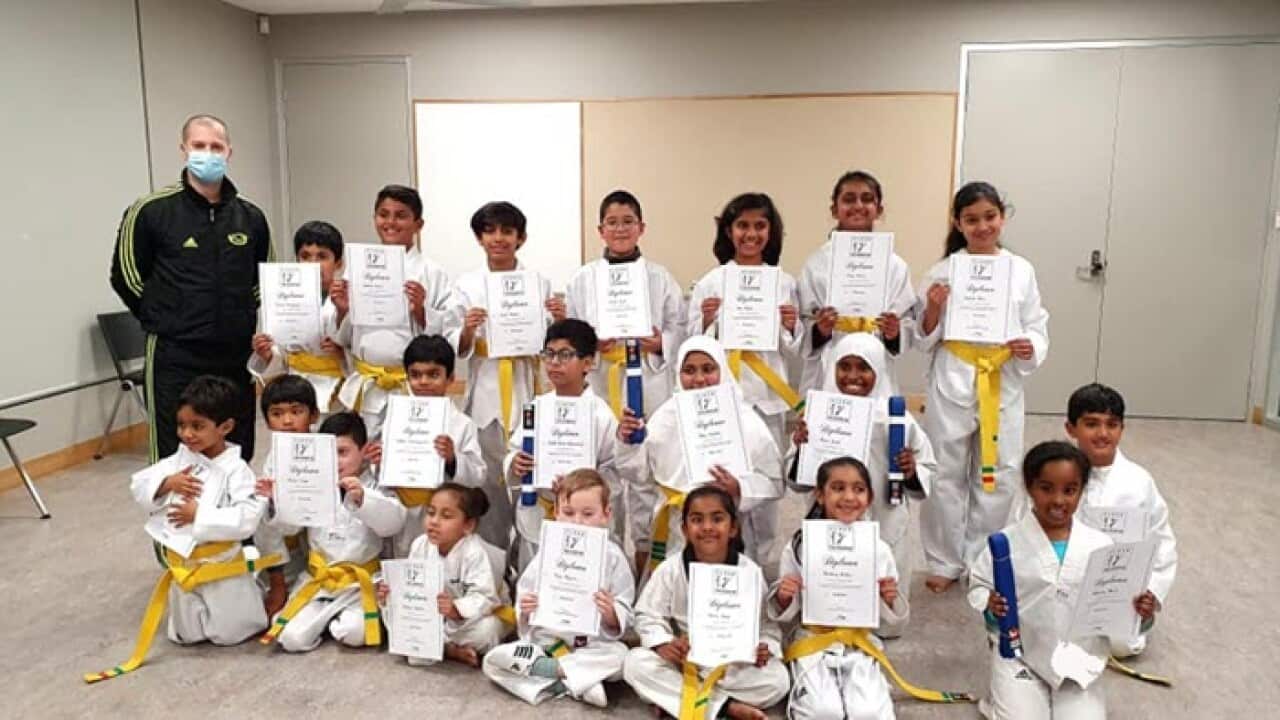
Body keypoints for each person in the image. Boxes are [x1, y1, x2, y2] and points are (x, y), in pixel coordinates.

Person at [912, 181, 1050, 593]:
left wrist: (1030, 347)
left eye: (990, 217)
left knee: (999, 473)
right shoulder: (941, 271)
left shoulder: (1020, 270)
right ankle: (943, 559)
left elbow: (1036, 324)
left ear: (1002, 217)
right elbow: (922, 337)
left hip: (1000, 378)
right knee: (945, 471)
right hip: (952, 375)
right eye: (971, 219)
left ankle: (983, 560)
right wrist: (934, 309)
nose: (982, 226)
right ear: (958, 222)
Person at [86, 376, 269, 683]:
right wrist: (165, 484)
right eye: (182, 425)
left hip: (220, 563)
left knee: (231, 633)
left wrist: (201, 514)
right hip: (183, 563)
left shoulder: (237, 470)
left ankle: (252, 591)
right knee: (186, 634)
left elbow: (249, 517)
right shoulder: (179, 461)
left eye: (197, 426)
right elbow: (139, 484)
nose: (187, 434)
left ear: (224, 427)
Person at [109, 114, 271, 463]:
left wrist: (238, 319)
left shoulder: (251, 217)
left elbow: (263, 283)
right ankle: (175, 517)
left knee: (236, 448)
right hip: (175, 354)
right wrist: (166, 317)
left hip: (233, 355)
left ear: (229, 152)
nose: (208, 154)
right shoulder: (151, 210)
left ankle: (232, 515)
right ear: (184, 149)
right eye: (199, 146)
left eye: (216, 147)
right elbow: (126, 276)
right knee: (175, 451)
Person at [785, 332, 934, 616]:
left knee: (883, 592)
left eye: (863, 368)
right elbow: (797, 481)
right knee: (831, 593)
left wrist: (911, 470)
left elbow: (929, 467)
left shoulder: (898, 419)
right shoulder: (818, 417)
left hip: (884, 518)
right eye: (845, 366)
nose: (853, 376)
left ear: (878, 369)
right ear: (833, 369)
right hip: (830, 519)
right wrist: (801, 446)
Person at [445, 201, 561, 548]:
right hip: (485, 393)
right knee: (489, 485)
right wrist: (467, 330)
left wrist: (558, 317)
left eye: (507, 231)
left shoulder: (538, 283)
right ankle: (493, 559)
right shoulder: (466, 285)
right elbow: (458, 347)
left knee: (530, 476)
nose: (499, 238)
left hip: (527, 387)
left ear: (520, 238)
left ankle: (527, 556)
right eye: (491, 231)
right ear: (480, 238)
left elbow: (551, 342)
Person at [968, 441, 1111, 719]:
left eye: (1070, 490)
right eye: (1047, 488)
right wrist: (991, 605)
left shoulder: (1101, 546)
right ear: (1030, 487)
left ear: (1081, 490)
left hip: (1078, 658)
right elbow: (979, 586)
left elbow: (1115, 606)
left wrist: (1139, 610)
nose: (1058, 500)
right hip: (1020, 654)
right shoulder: (1006, 543)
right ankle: (999, 701)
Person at [619, 336, 783, 575]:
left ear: (722, 370)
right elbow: (638, 473)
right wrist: (628, 441)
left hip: (728, 530)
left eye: (708, 369)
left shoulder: (746, 420)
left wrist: (740, 487)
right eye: (689, 370)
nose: (698, 380)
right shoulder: (666, 418)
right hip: (678, 530)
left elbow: (774, 480)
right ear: (678, 374)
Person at [623, 485, 790, 720]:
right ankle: (724, 707)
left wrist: (763, 647)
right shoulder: (670, 569)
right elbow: (647, 615)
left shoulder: (749, 571)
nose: (708, 527)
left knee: (778, 681)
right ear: (684, 529)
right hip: (686, 660)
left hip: (732, 665)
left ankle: (677, 700)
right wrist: (663, 643)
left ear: (733, 528)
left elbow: (766, 625)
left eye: (717, 519)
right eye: (697, 520)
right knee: (635, 663)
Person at [483, 469, 636, 708]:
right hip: (548, 643)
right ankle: (580, 682)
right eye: (569, 512)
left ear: (606, 514)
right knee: (492, 661)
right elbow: (526, 593)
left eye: (588, 514)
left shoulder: (613, 557)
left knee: (621, 657)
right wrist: (526, 607)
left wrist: (611, 613)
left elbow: (625, 604)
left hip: (592, 644)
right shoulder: (547, 552)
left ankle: (554, 677)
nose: (577, 521)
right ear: (555, 513)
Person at [770, 457, 908, 720]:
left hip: (858, 641)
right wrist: (785, 595)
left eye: (858, 489)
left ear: (869, 498)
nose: (848, 497)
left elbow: (889, 614)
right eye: (838, 488)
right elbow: (785, 610)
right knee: (823, 711)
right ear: (820, 495)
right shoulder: (801, 546)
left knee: (868, 713)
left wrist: (888, 599)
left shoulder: (877, 549)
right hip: (813, 640)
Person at [257, 413, 406, 652]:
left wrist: (363, 499)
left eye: (343, 452)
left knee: (356, 634)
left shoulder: (376, 484)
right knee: (289, 637)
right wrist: (278, 501)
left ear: (364, 450)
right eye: (329, 453)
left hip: (359, 584)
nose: (335, 461)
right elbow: (291, 528)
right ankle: (323, 619)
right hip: (319, 580)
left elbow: (393, 524)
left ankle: (334, 620)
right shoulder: (311, 485)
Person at [1064, 383, 1176, 657]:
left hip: (1119, 590)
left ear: (1122, 429)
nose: (1103, 434)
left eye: (1112, 425)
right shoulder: (1057, 476)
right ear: (1070, 428)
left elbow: (1162, 542)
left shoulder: (1139, 483)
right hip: (1065, 583)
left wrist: (1152, 593)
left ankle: (1139, 620)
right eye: (1091, 424)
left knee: (1122, 647)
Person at [504, 319, 625, 571]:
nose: (554, 363)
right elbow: (515, 450)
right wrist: (515, 462)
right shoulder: (537, 407)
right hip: (540, 510)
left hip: (583, 520)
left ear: (588, 363)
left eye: (565, 355)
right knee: (534, 578)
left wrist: (581, 488)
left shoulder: (600, 414)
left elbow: (614, 471)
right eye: (549, 354)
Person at [332, 185, 452, 437]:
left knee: (410, 453)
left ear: (418, 224)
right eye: (383, 214)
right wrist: (343, 310)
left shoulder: (432, 272)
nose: (390, 222)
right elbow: (344, 337)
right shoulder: (358, 268)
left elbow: (446, 335)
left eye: (401, 215)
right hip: (368, 379)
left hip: (413, 383)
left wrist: (421, 310)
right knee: (365, 456)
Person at [688, 192, 804, 451]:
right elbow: (692, 345)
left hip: (768, 391)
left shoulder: (783, 283)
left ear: (771, 232)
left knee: (768, 464)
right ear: (729, 231)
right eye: (743, 225)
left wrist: (790, 326)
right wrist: (706, 322)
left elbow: (795, 349)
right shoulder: (710, 282)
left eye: (760, 226)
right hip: (722, 387)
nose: (751, 234)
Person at [565, 189, 686, 420]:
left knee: (649, 440)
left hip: (649, 375)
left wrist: (662, 343)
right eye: (612, 223)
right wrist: (591, 343)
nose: (620, 229)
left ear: (641, 228)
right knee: (603, 438)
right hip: (600, 373)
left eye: (628, 222)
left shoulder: (660, 277)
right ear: (601, 231)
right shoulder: (582, 278)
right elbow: (572, 329)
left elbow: (680, 324)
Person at [797, 171, 917, 395]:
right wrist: (819, 330)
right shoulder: (816, 264)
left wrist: (894, 333)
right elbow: (800, 322)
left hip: (875, 363)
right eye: (849, 199)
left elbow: (908, 323)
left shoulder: (895, 266)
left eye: (867, 199)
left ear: (879, 209)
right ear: (834, 209)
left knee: (876, 426)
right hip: (828, 363)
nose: (858, 206)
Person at [380, 483, 512, 668]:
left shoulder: (475, 552)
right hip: (435, 616)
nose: (434, 521)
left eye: (446, 516)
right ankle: (449, 650)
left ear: (468, 525)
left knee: (488, 631)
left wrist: (456, 610)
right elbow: (413, 588)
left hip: (469, 618)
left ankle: (439, 647)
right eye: (431, 512)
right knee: (394, 618)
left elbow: (485, 598)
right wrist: (392, 594)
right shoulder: (420, 544)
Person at [386, 334, 488, 558]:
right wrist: (379, 462)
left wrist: (453, 459)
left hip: (445, 517)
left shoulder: (462, 423)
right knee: (406, 563)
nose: (423, 382)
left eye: (433, 375)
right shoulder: (395, 418)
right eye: (415, 375)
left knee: (441, 566)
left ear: (450, 378)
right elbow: (386, 473)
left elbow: (478, 475)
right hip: (404, 509)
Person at [249, 220, 347, 412]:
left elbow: (365, 351)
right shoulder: (285, 298)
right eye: (305, 256)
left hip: (338, 390)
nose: (313, 263)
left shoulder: (349, 298)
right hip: (295, 386)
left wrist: (342, 353)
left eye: (322, 256)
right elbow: (283, 356)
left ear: (338, 263)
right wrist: (268, 354)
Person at [254, 374, 323, 615]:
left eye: (296, 411)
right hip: (290, 545)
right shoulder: (272, 461)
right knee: (262, 505)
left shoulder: (328, 449)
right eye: (277, 413)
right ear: (267, 420)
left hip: (323, 544)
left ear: (313, 415)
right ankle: (278, 581)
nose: (287, 420)